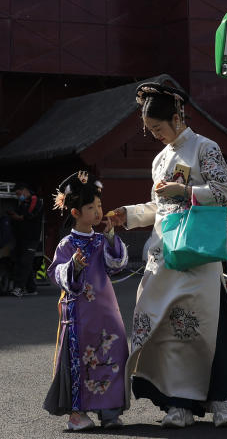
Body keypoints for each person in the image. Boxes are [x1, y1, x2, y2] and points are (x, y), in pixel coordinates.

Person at [107, 82, 227, 429]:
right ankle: (177, 403)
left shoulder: (204, 148)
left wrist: (187, 190)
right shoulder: (160, 159)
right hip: (164, 256)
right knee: (165, 329)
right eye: (150, 130)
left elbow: (226, 192)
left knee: (204, 327)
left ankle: (219, 400)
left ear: (178, 116)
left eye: (158, 128)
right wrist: (130, 214)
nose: (154, 135)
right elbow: (159, 206)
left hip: (197, 256)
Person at [43, 171, 129, 431]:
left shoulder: (102, 240)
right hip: (80, 315)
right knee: (80, 358)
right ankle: (77, 414)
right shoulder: (67, 245)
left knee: (114, 351)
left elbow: (117, 265)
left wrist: (113, 237)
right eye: (91, 207)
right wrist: (73, 267)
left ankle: (110, 411)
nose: (98, 212)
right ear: (75, 212)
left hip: (107, 311)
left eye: (99, 206)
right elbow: (57, 273)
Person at [7, 181, 43, 297]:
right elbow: (20, 214)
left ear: (24, 190)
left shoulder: (36, 200)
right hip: (23, 237)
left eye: (19, 194)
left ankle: (19, 288)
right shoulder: (24, 203)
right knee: (22, 262)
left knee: (24, 262)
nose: (19, 196)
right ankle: (31, 289)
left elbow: (30, 215)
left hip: (32, 238)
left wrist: (19, 217)